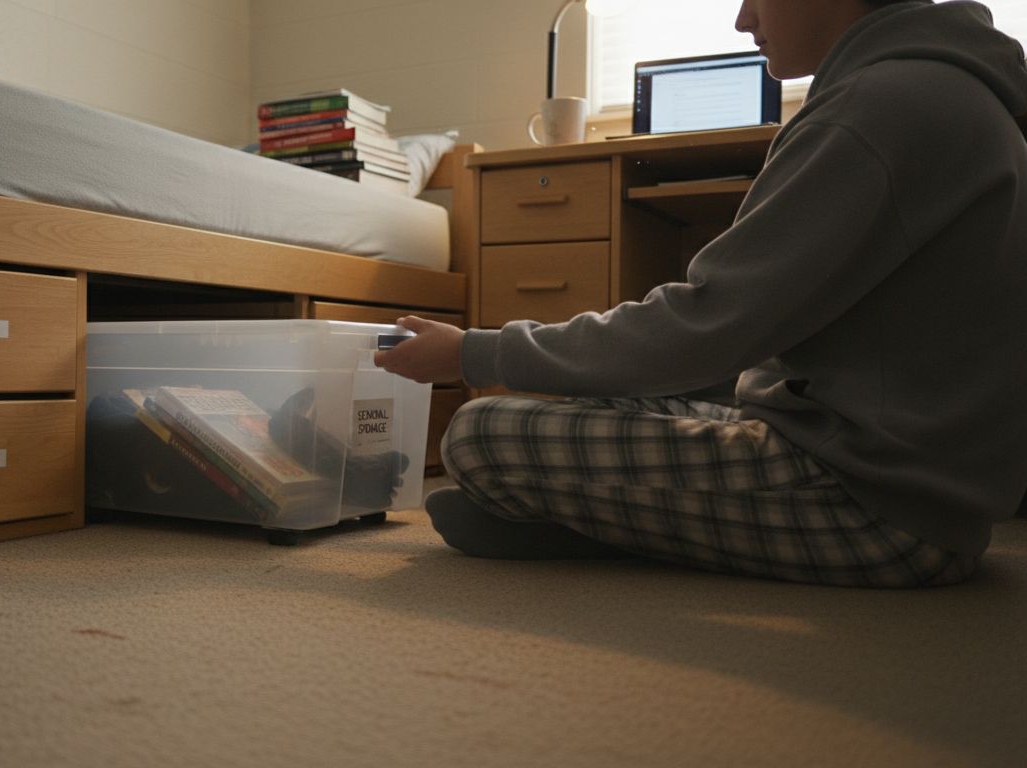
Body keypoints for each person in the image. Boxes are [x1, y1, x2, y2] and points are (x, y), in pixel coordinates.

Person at [374, 0, 1027, 587]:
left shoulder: (880, 107)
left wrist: (474, 354)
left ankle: (610, 529)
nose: (744, 20)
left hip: (877, 504)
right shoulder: (941, 89)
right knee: (624, 396)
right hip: (911, 479)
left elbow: (702, 328)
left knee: (477, 435)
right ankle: (617, 519)